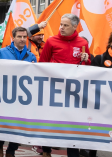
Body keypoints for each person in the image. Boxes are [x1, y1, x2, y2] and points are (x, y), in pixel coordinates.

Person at [39, 14, 90, 157]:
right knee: (50, 121)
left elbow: (87, 67)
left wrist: (86, 60)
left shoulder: (82, 43)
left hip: (73, 91)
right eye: (61, 24)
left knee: (72, 123)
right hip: (53, 88)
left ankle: (73, 153)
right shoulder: (51, 41)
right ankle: (46, 151)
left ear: (75, 27)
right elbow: (42, 64)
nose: (61, 27)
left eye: (65, 25)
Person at [0, 27, 36, 157]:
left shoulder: (31, 55)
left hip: (23, 96)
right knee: (4, 123)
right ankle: (0, 145)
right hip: (5, 94)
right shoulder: (1, 53)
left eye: (24, 37)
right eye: (19, 37)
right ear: (13, 38)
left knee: (19, 124)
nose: (22, 39)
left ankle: (11, 150)